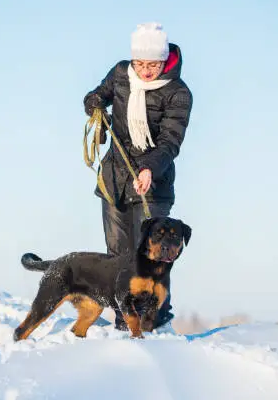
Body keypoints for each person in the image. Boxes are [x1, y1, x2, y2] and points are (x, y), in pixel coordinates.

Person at [83, 22, 193, 331]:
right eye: (140, 64)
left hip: (153, 184)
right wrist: (93, 103)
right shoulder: (120, 73)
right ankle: (123, 323)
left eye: (153, 64)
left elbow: (171, 141)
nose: (145, 71)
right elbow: (98, 94)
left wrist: (148, 168)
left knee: (154, 257)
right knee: (119, 256)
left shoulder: (178, 93)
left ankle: (156, 322)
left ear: (164, 60)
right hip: (114, 180)